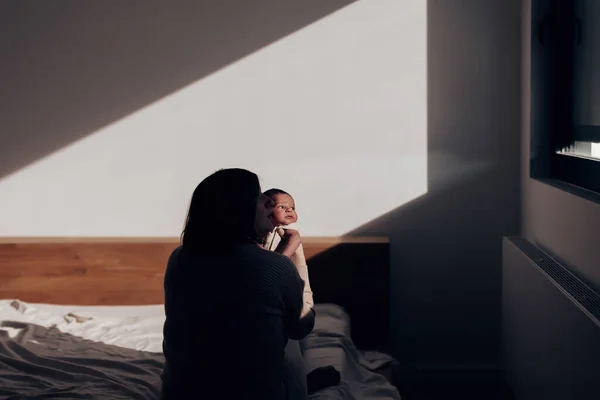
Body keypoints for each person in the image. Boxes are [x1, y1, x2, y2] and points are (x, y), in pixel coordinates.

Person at [160, 169, 314, 400]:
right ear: (242, 210)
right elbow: (302, 326)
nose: (269, 202)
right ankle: (302, 386)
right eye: (261, 197)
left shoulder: (179, 258)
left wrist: (280, 260)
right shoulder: (276, 267)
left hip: (181, 394)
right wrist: (296, 255)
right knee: (289, 335)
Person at [263, 188, 341, 398]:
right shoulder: (267, 239)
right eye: (281, 207)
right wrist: (290, 250)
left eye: (293, 208)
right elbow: (301, 322)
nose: (289, 211)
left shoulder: (285, 236)